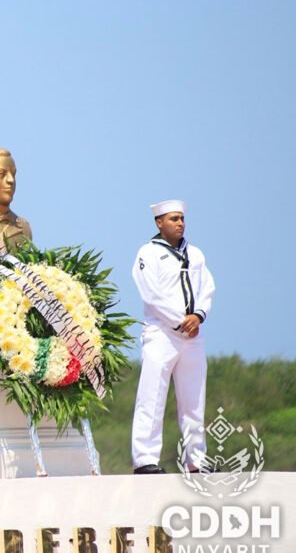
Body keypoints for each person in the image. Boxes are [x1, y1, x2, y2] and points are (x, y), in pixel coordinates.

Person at [130, 200, 215, 474]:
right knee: (152, 396)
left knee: (193, 399)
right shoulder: (148, 253)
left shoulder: (196, 254)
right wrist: (180, 321)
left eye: (182, 219)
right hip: (161, 333)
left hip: (193, 335)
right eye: (173, 219)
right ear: (159, 222)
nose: (180, 223)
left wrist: (198, 315)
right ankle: (145, 459)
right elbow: (151, 295)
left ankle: (197, 460)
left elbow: (207, 287)